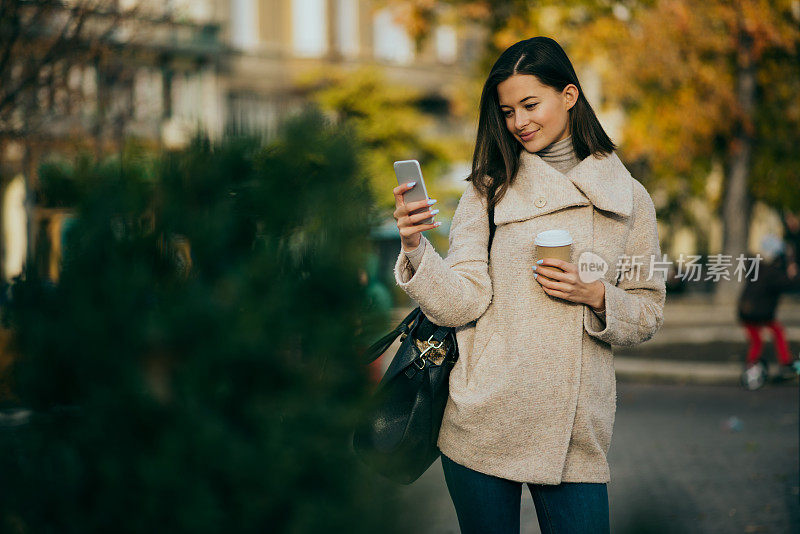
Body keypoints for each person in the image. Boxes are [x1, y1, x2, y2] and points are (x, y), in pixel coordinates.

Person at [390, 37, 665, 533]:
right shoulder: (487, 188)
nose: (519, 122)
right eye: (508, 110)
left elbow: (647, 313)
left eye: (530, 104)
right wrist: (415, 247)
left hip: (575, 433)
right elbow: (463, 301)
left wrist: (597, 295)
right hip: (483, 418)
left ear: (569, 95)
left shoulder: (629, 197)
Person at [737, 234, 800, 390]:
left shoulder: (757, 267)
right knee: (775, 332)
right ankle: (783, 363)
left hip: (746, 310)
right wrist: (793, 274)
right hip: (759, 313)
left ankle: (752, 365)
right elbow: (789, 284)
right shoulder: (771, 272)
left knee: (757, 339)